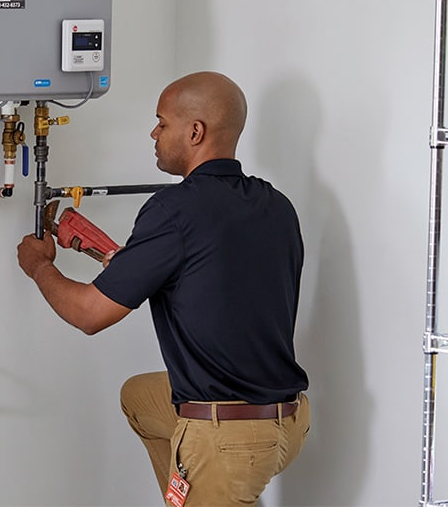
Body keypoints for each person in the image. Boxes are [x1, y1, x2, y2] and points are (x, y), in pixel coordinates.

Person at [17, 71, 310, 505]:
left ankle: (214, 485)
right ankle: (203, 490)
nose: (153, 132)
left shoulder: (175, 210)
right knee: (139, 397)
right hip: (289, 417)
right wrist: (118, 261)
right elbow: (212, 275)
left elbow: (89, 315)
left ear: (195, 132)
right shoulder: (276, 205)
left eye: (162, 122)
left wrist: (40, 266)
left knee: (212, 460)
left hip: (229, 435)